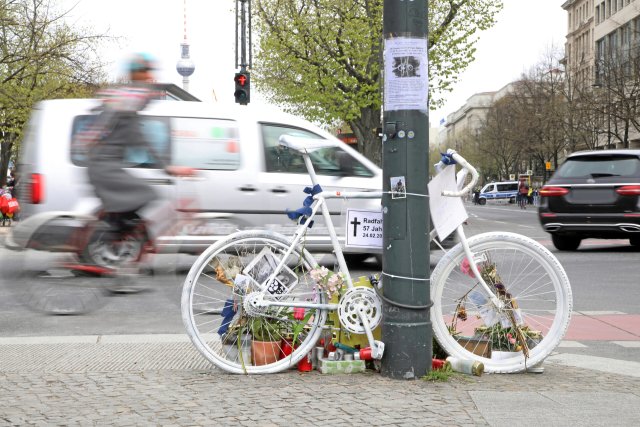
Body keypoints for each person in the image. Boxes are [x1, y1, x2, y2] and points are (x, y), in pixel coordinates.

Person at [85, 53, 193, 258]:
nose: (150, 77)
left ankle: (116, 234)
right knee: (147, 194)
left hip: (105, 167)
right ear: (137, 74)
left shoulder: (124, 103)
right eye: (147, 71)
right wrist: (168, 167)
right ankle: (114, 239)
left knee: (134, 204)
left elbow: (138, 139)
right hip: (104, 168)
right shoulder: (124, 104)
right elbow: (142, 141)